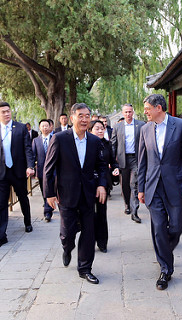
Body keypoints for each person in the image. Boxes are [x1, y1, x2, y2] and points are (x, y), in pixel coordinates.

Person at [43, 103, 107, 284]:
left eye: (87, 116)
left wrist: (101, 185)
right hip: (66, 193)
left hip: (88, 194)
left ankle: (85, 268)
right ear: (72, 118)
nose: (85, 119)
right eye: (81, 115)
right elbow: (48, 168)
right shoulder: (60, 139)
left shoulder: (94, 141)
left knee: (89, 232)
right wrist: (49, 193)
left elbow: (101, 166)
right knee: (67, 232)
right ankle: (67, 247)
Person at [138, 94, 182, 290]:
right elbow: (142, 162)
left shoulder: (180, 126)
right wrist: (140, 189)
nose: (145, 111)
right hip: (153, 187)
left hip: (176, 186)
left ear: (159, 108)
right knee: (159, 228)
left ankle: (164, 251)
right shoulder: (145, 129)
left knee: (176, 228)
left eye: (147, 108)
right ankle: (165, 269)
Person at [0, 102, 35, 247]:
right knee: (1, 203)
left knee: (22, 198)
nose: (6, 114)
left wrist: (30, 166)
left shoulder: (20, 128)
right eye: (3, 112)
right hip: (2, 173)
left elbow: (28, 149)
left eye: (8, 111)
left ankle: (27, 221)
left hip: (18, 170)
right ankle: (2, 235)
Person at [111, 103, 145, 223]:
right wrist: (112, 160)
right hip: (122, 159)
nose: (128, 114)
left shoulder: (141, 125)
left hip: (136, 159)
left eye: (130, 111)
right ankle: (127, 204)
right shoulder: (117, 127)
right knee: (125, 185)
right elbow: (113, 144)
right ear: (122, 113)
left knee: (134, 184)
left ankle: (135, 211)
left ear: (133, 112)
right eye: (126, 112)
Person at [89, 120, 119, 252]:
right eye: (97, 129)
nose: (101, 131)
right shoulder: (86, 144)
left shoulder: (107, 144)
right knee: (89, 214)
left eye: (102, 128)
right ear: (90, 130)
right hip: (88, 183)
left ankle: (102, 242)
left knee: (102, 213)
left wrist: (115, 169)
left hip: (103, 183)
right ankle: (89, 241)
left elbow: (113, 162)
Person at [32, 119, 54, 222]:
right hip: (41, 170)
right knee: (44, 190)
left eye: (46, 126)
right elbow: (33, 155)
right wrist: (31, 168)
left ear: (50, 127)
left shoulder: (55, 138)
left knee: (53, 189)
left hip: (54, 170)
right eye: (43, 126)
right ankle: (48, 208)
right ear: (40, 128)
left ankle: (48, 210)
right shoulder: (36, 141)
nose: (45, 128)